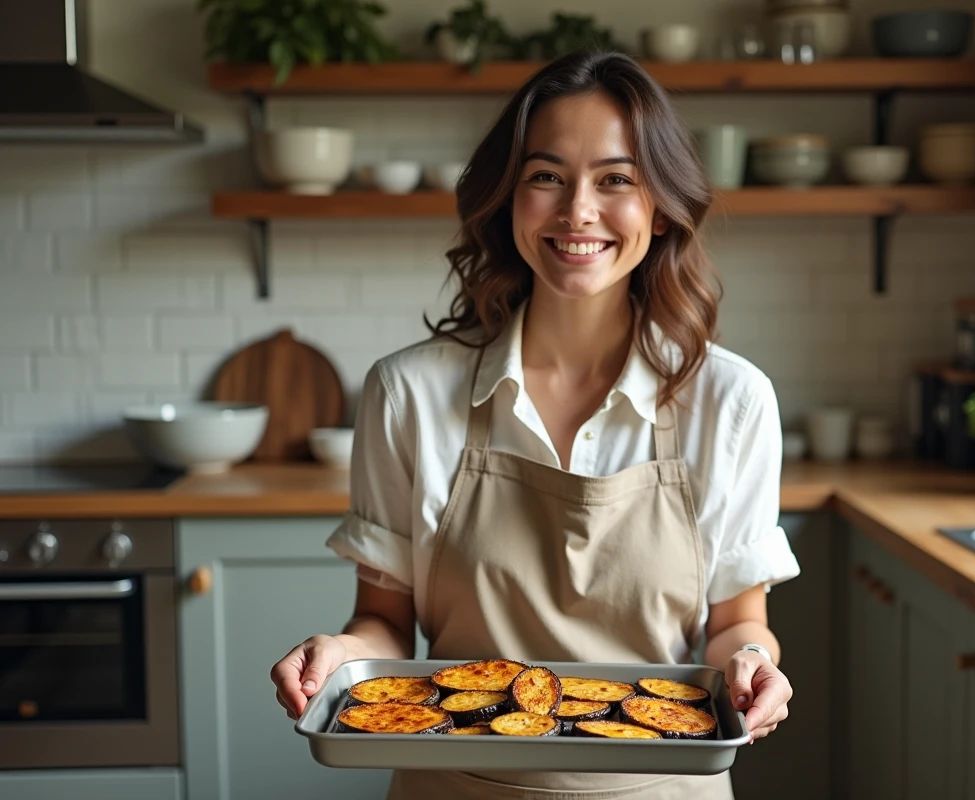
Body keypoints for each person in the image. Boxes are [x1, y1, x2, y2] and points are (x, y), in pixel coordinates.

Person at [270, 50, 801, 799]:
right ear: (507, 199)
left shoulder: (732, 400)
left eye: (615, 180)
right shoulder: (407, 393)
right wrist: (341, 652)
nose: (577, 210)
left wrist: (753, 662)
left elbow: (737, 623)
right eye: (547, 176)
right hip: (455, 785)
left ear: (660, 207)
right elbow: (384, 621)